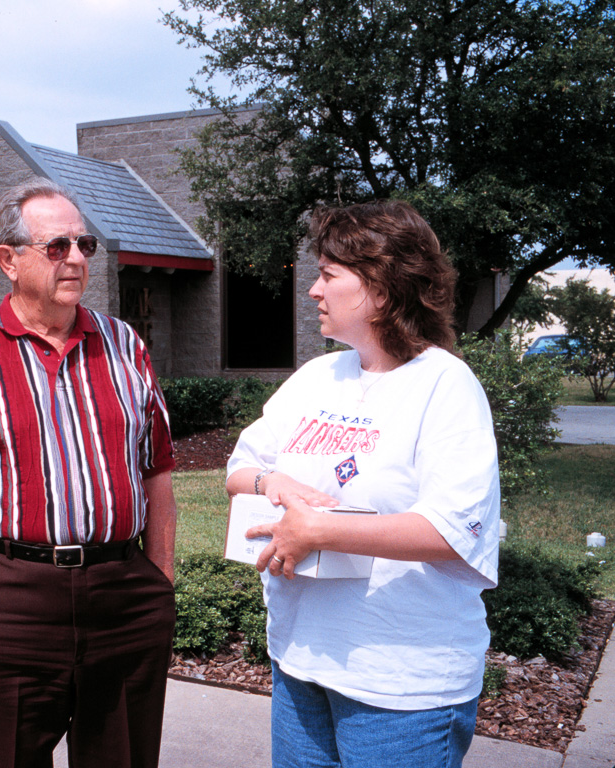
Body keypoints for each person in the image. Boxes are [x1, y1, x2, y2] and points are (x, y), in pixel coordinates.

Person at [0, 177, 178, 768]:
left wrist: (159, 581)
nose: (78, 259)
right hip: (7, 601)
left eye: (84, 244)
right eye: (58, 246)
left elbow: (158, 468)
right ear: (8, 260)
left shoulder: (126, 346)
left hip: (123, 601)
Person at [226, 200, 500, 768]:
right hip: (301, 661)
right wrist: (272, 481)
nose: (313, 292)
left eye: (328, 276)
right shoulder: (317, 377)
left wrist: (320, 530)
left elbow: (452, 531)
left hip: (401, 682)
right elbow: (239, 470)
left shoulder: (444, 385)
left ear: (380, 285)